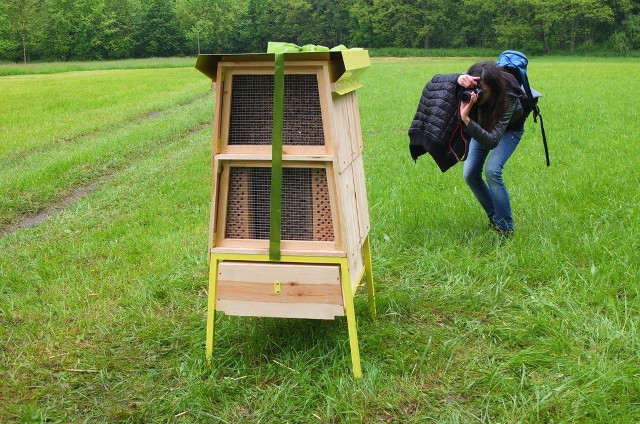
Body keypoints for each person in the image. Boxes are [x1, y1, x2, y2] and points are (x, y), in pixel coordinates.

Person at [457, 61, 524, 239]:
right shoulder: (471, 83)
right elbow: (437, 83)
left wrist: (467, 120)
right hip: (483, 126)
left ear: (494, 88)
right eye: (475, 89)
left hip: (509, 130)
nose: (476, 95)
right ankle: (495, 218)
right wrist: (457, 78)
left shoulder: (508, 98)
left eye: (482, 91)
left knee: (493, 170)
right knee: (470, 174)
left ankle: (506, 229)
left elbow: (492, 141)